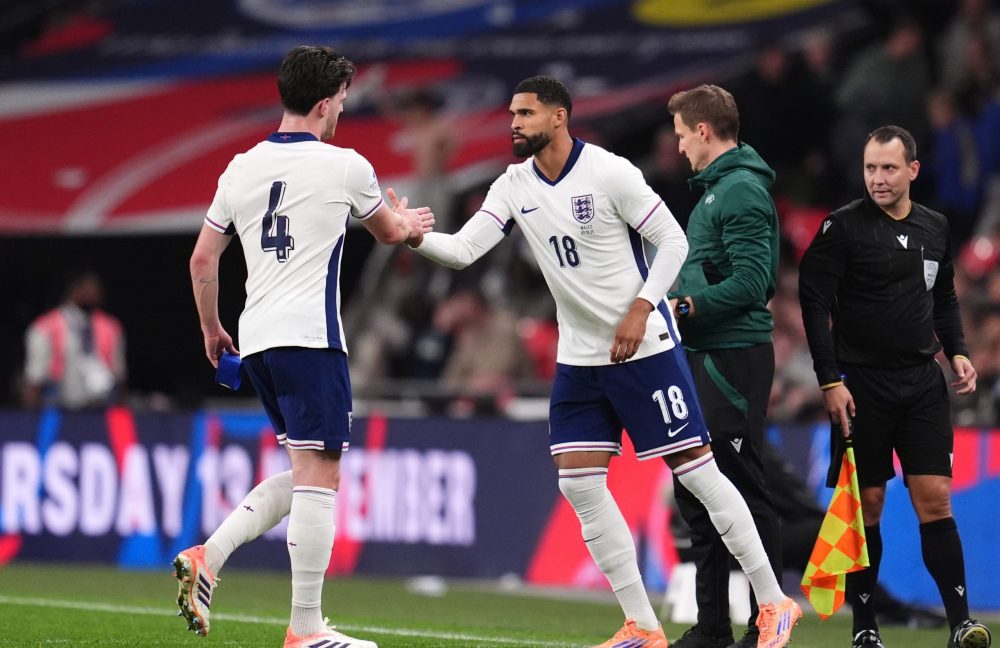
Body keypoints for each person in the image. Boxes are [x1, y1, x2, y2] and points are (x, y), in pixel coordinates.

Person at [405, 75, 801, 648]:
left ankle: (773, 601)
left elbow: (673, 242)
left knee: (699, 474)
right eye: (512, 113)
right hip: (580, 358)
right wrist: (412, 236)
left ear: (559, 117)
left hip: (644, 348)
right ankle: (642, 624)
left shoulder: (610, 172)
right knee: (580, 484)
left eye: (525, 113)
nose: (514, 123)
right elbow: (464, 250)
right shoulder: (513, 184)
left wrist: (642, 308)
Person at [177, 45, 433, 648]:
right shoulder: (345, 166)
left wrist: (212, 329)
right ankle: (306, 629)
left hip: (258, 342)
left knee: (305, 473)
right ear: (323, 103)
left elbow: (203, 259)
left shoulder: (240, 167)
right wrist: (411, 224)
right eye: (341, 99)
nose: (342, 109)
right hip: (311, 340)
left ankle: (208, 558)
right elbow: (391, 232)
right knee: (321, 477)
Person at [799, 125, 992, 648]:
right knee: (868, 504)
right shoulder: (841, 228)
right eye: (870, 168)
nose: (878, 178)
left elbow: (944, 296)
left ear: (913, 170)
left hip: (922, 383)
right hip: (860, 386)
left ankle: (961, 624)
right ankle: (865, 628)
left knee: (936, 499)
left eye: (888, 168)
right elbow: (813, 304)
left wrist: (957, 351)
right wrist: (829, 379)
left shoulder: (935, 226)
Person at [663, 84, 783, 648]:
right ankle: (713, 626)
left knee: (742, 488)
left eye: (682, 135)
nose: (680, 146)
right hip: (706, 353)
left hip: (733, 356)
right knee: (696, 490)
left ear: (704, 131)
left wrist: (687, 307)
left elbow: (754, 282)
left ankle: (768, 623)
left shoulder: (740, 191)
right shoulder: (717, 191)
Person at [22, 270, 126, 410]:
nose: (94, 293)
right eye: (87, 288)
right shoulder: (46, 326)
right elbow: (35, 376)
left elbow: (119, 373)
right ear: (74, 290)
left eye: (96, 289)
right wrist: (30, 412)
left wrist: (120, 405)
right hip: (57, 406)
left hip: (101, 406)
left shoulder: (110, 326)